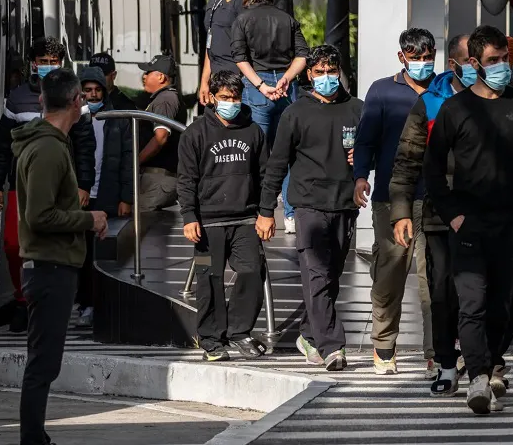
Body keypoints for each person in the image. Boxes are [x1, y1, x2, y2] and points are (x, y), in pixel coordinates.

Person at [423, 25, 513, 415]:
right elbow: (431, 168)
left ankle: (494, 363)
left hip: (512, 221)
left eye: (505, 59)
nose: (501, 66)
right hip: (468, 223)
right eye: (493, 61)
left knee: (502, 305)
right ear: (474, 64)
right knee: (472, 303)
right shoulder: (455, 109)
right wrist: (452, 214)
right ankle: (478, 377)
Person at [13, 68, 108, 445]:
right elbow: (40, 215)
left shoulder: (50, 142)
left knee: (44, 361)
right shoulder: (49, 148)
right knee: (43, 363)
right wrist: (89, 218)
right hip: (49, 267)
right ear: (77, 101)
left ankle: (35, 437)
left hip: (52, 266)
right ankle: (33, 439)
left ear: (41, 101)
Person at [255, 45, 362, 371]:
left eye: (332, 71)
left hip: (345, 204)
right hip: (308, 206)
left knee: (330, 277)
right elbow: (277, 164)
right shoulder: (295, 113)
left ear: (339, 71)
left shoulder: (358, 109)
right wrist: (265, 210)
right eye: (319, 73)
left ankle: (307, 333)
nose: (327, 78)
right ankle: (332, 346)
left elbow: (377, 148)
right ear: (308, 75)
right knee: (317, 275)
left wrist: (363, 158)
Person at [0, 37, 97, 333]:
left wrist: (84, 184)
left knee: (59, 243)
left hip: (64, 183)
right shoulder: (17, 98)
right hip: (20, 182)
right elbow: (2, 145)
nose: (47, 67)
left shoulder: (76, 100)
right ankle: (23, 300)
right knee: (13, 245)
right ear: (32, 63)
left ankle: (52, 301)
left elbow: (86, 146)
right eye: (43, 61)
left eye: (53, 62)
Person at [389, 33, 474, 395]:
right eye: (473, 60)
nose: (483, 68)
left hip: (487, 215)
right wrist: (401, 211)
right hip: (441, 214)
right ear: (454, 63)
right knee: (441, 292)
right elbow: (406, 161)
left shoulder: (502, 103)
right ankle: (444, 363)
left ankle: (487, 363)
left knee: (483, 292)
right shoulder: (429, 104)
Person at [353, 27, 436, 377]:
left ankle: (437, 351)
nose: (422, 63)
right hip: (391, 198)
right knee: (389, 273)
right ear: (402, 57)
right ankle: (384, 346)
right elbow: (366, 139)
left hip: (434, 199)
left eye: (428, 56)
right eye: (415, 57)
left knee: (434, 279)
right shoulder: (382, 91)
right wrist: (360, 177)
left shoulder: (444, 88)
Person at [178, 70, 268, 362]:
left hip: (244, 221)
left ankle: (239, 332)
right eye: (225, 98)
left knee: (252, 271)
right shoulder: (195, 133)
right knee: (207, 278)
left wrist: (266, 213)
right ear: (213, 98)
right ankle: (210, 340)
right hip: (206, 224)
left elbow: (264, 175)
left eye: (236, 97)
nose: (231, 102)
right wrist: (189, 216)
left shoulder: (253, 131)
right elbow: (186, 179)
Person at [232, 0, 309, 234]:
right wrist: (286, 79)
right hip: (287, 89)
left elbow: (240, 59)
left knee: (255, 152)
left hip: (259, 87)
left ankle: (256, 210)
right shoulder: (287, 19)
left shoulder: (242, 20)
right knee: (287, 153)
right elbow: (302, 56)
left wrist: (261, 85)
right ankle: (290, 214)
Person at [75, 66, 134, 327]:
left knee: (104, 254)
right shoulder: (76, 118)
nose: (93, 94)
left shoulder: (118, 118)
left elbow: (127, 159)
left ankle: (99, 304)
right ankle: (84, 302)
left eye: (97, 90)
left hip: (108, 195)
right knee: (83, 253)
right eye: (87, 90)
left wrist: (126, 197)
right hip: (83, 195)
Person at [138, 54, 187, 212]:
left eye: (148, 72)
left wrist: (135, 161)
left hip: (158, 178)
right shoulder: (163, 97)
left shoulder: (166, 98)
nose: (144, 76)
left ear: (160, 77)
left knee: (140, 226)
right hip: (157, 178)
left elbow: (160, 138)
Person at [198, 0, 245, 105]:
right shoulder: (214, 0)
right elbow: (210, 43)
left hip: (237, 80)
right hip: (217, 80)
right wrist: (205, 81)